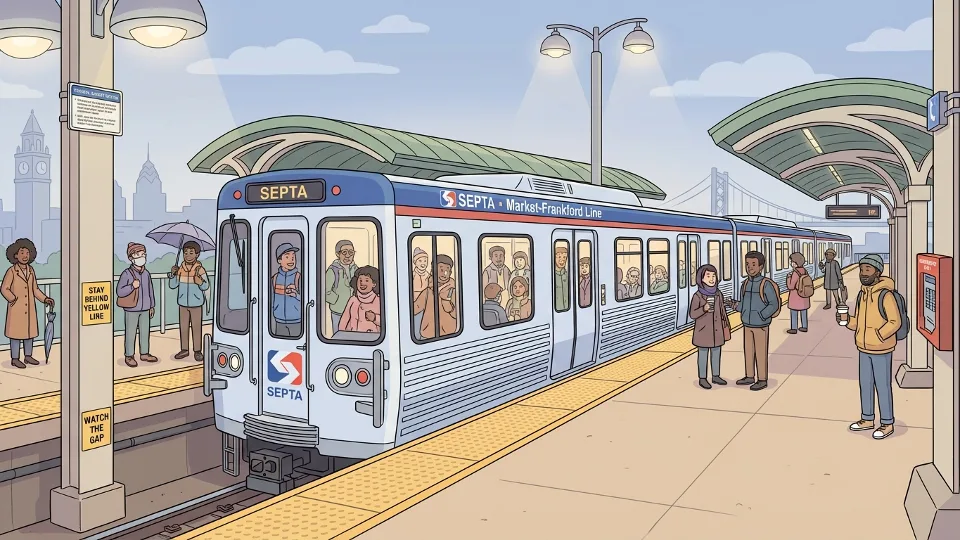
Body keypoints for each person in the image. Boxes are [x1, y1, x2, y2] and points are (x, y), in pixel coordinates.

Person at [838, 254, 900, 440]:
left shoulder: (885, 295)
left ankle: (887, 423)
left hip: (881, 349)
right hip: (863, 348)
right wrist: (847, 321)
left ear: (878, 272)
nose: (863, 273)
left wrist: (878, 336)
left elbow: (894, 321)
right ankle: (867, 419)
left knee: (882, 386)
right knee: (865, 385)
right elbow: (858, 322)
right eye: (862, 269)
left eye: (868, 269)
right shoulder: (862, 294)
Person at [725, 251, 778, 391]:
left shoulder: (765, 284)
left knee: (761, 352)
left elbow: (774, 304)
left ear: (761, 267)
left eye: (753, 264)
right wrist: (734, 305)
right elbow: (744, 304)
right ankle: (749, 376)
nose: (750, 267)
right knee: (748, 351)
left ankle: (762, 379)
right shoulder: (746, 284)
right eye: (747, 264)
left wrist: (762, 315)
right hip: (747, 324)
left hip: (761, 325)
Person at [1, 238, 54, 369]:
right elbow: (4, 288)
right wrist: (12, 299)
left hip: (29, 308)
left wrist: (45, 298)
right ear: (15, 255)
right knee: (15, 335)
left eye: (27, 253)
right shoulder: (12, 271)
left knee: (29, 333)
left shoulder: (31, 270)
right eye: (22, 252)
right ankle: (15, 358)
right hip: (16, 308)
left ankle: (28, 356)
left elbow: (35, 289)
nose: (25, 256)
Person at [116, 242, 158, 368]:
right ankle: (129, 355)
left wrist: (152, 305)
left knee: (145, 331)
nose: (141, 257)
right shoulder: (126, 274)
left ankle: (144, 353)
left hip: (145, 308)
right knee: (130, 332)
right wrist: (131, 286)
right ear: (131, 257)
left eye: (143, 254)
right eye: (138, 254)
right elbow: (119, 291)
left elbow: (150, 291)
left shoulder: (146, 274)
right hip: (131, 308)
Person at [689, 264, 730, 389]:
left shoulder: (718, 293)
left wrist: (726, 324)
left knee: (716, 352)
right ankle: (703, 378)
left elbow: (722, 311)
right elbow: (692, 314)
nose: (712, 279)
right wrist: (704, 308)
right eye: (708, 276)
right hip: (703, 331)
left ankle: (716, 376)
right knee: (703, 353)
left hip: (717, 329)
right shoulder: (698, 296)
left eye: (713, 276)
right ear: (701, 279)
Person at [169, 240, 209, 361]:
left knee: (196, 327)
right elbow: (172, 285)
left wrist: (200, 281)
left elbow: (206, 286)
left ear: (197, 254)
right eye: (185, 252)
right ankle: (184, 349)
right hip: (182, 303)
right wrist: (173, 275)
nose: (188, 255)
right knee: (184, 327)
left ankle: (197, 351)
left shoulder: (200, 270)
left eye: (191, 253)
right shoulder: (180, 269)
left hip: (196, 303)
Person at [414, 254, 458, 339]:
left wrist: (447, 303)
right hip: (426, 335)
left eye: (447, 270)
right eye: (441, 269)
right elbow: (416, 307)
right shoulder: (428, 291)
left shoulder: (454, 291)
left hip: (450, 335)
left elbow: (458, 315)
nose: (444, 273)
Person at [325, 239, 357, 332]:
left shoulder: (356, 269)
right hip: (338, 311)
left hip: (353, 310)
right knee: (339, 334)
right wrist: (336, 300)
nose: (348, 256)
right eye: (344, 252)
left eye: (351, 252)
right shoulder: (332, 270)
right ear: (338, 254)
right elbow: (325, 291)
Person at [338, 265, 381, 334]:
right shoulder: (353, 299)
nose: (362, 283)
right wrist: (341, 334)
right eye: (360, 280)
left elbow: (387, 322)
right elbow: (344, 319)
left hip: (372, 339)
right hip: (351, 338)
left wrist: (374, 318)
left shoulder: (378, 301)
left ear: (374, 284)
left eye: (366, 280)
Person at [272, 243, 302, 337]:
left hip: (297, 321)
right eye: (287, 256)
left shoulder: (299, 277)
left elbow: (308, 300)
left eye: (293, 256)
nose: (292, 259)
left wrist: (296, 295)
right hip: (279, 321)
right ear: (279, 260)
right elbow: (270, 299)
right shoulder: (275, 278)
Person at [786, 252, 811, 334]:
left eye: (792, 262)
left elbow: (791, 286)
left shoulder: (795, 273)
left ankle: (794, 328)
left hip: (796, 296)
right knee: (804, 312)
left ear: (796, 263)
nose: (791, 263)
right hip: (804, 296)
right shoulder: (805, 271)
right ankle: (804, 326)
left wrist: (788, 278)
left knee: (794, 312)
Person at [554, 245, 569, 311]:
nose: (562, 260)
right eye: (559, 257)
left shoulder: (567, 275)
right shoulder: (551, 276)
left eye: (564, 257)